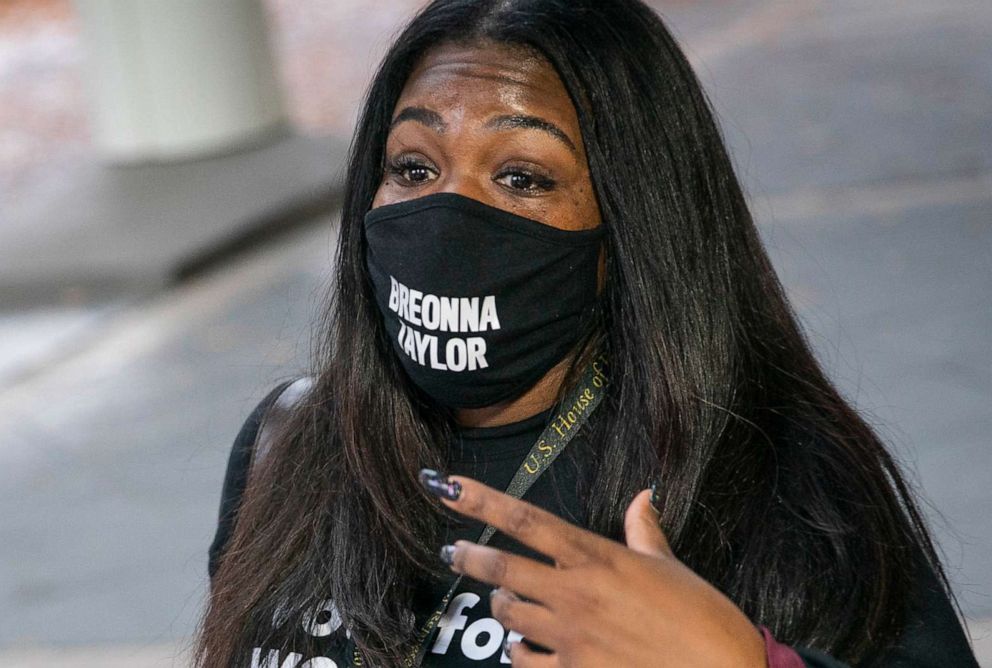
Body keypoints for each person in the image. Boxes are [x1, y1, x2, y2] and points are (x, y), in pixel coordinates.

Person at [195, 1, 979, 666]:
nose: (449, 221)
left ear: (633, 221)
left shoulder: (785, 485)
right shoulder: (287, 446)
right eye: (413, 166)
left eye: (523, 177)